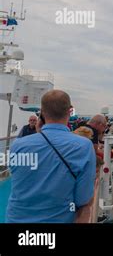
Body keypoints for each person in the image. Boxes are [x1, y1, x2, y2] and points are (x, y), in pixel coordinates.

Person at [7, 90, 96, 223]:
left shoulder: (18, 145)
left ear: (42, 112)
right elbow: (82, 199)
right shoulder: (84, 146)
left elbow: (24, 177)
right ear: (70, 111)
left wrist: (40, 133)